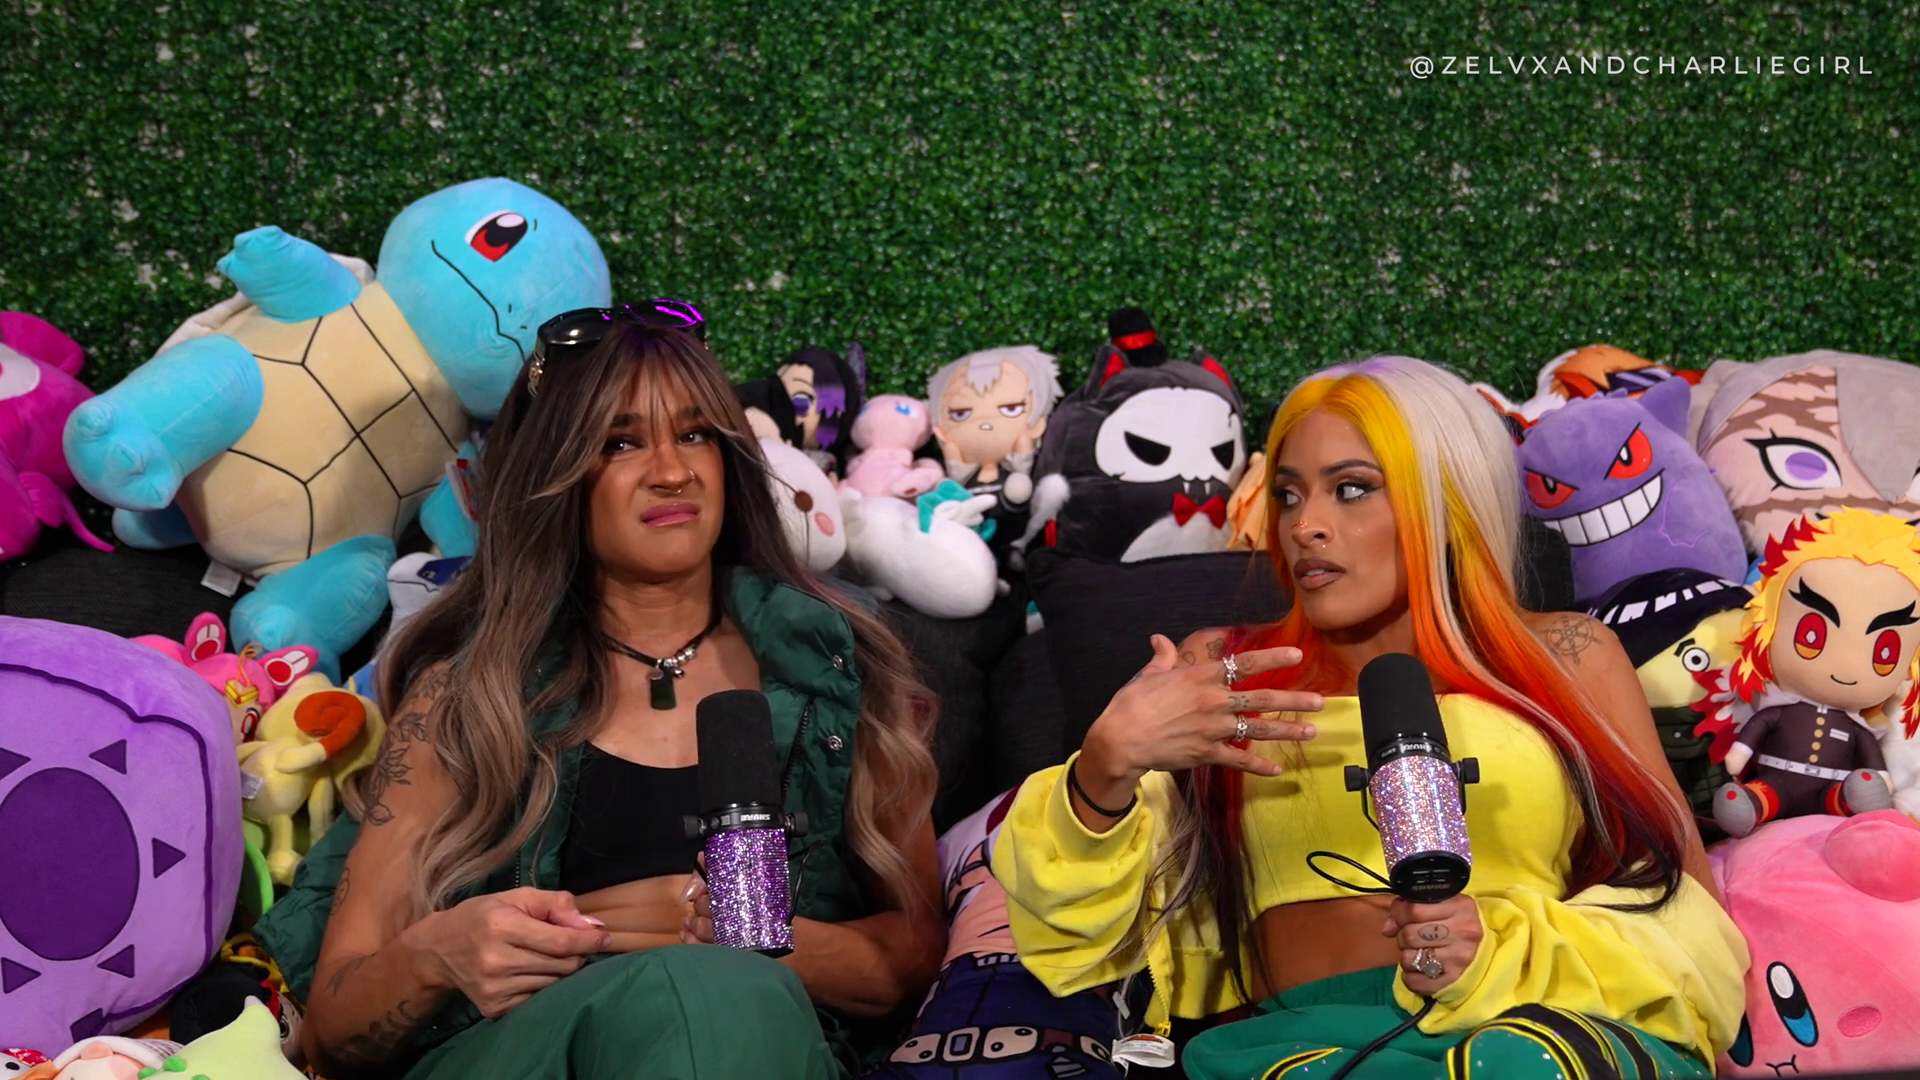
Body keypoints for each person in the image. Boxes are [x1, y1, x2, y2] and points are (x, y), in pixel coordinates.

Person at [993, 356, 1748, 1078]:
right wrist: (1106, 768)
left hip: (1537, 1028)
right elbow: (1080, 942)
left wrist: (1504, 951)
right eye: (1289, 496)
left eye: (1351, 489)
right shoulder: (1224, 666)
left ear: (1447, 499)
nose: (1304, 526)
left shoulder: (1569, 655)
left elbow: (1692, 925)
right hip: (1299, 1049)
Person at [256, 303, 944, 1079]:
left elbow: (916, 951)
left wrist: (759, 945)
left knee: (716, 994)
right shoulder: (468, 698)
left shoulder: (831, 667)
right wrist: (438, 956)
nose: (673, 471)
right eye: (620, 443)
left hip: (767, 1044)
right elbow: (333, 1031)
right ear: (554, 476)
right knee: (698, 995)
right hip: (519, 1056)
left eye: (695, 435)